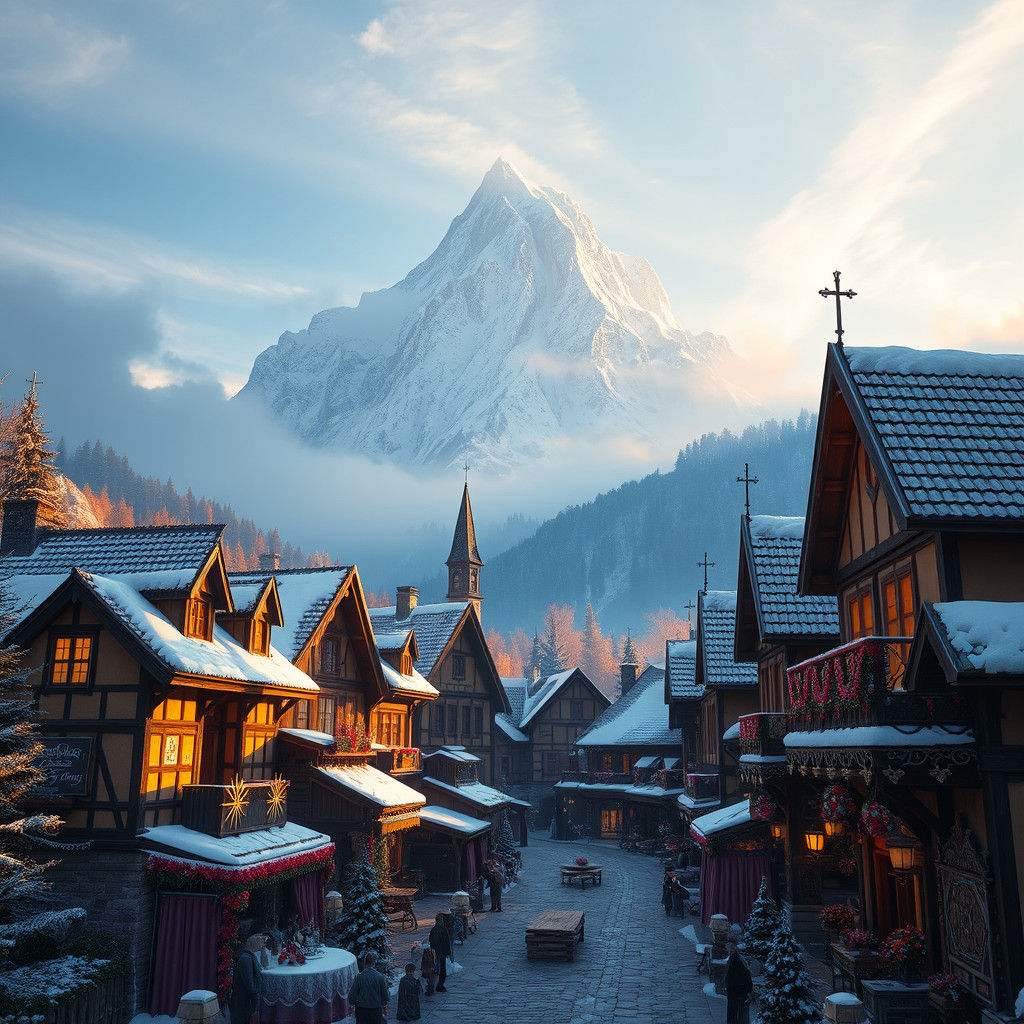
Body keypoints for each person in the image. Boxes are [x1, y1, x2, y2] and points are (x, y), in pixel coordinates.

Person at [229, 934, 265, 1024]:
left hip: (246, 1002)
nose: (263, 945)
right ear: (255, 943)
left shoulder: (250, 956)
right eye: (261, 943)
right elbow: (250, 986)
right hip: (243, 1003)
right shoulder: (246, 959)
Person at [347, 950, 390, 1024]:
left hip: (361, 1010)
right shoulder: (379, 977)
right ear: (374, 963)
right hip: (375, 1009)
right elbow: (385, 995)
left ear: (365, 962)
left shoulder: (359, 977)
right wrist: (385, 1007)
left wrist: (352, 1004)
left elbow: (352, 994)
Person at [724, 938, 753, 1024]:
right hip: (735, 990)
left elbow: (745, 976)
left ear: (732, 948)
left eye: (727, 948)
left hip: (737, 991)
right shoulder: (735, 958)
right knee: (737, 1012)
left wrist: (748, 991)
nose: (726, 950)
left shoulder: (736, 960)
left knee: (738, 1013)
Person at [428, 913, 452, 992]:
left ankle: (433, 986)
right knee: (441, 970)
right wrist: (448, 952)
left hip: (435, 951)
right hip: (441, 952)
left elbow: (431, 940)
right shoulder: (443, 930)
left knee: (435, 969)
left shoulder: (434, 929)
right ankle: (439, 986)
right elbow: (447, 941)